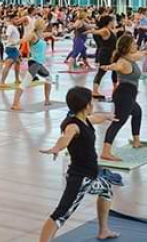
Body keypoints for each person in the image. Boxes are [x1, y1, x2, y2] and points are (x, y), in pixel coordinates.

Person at [38, 87, 118, 242]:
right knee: (60, 215)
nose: (93, 104)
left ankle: (104, 231)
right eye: (92, 102)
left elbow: (96, 118)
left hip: (91, 177)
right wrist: (56, 147)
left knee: (106, 190)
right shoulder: (73, 126)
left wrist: (107, 115)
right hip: (80, 179)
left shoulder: (84, 120)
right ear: (87, 105)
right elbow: (65, 138)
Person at [98, 34, 147, 162]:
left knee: (137, 112)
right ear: (126, 47)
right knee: (118, 121)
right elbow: (117, 66)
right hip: (123, 94)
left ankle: (136, 141)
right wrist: (109, 67)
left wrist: (146, 53)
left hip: (129, 94)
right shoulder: (122, 61)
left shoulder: (130, 57)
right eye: (133, 44)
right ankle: (105, 152)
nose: (136, 45)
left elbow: (139, 55)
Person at [11, 18, 52, 111]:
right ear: (41, 26)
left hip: (39, 63)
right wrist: (14, 43)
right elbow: (24, 40)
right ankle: (14, 104)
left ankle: (47, 100)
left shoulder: (39, 34)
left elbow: (47, 34)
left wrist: (54, 33)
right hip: (34, 62)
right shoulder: (33, 35)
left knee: (49, 78)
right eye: (44, 24)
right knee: (24, 83)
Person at [91, 15, 117, 99]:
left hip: (111, 53)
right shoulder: (105, 30)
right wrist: (90, 31)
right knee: (102, 71)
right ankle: (95, 91)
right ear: (109, 22)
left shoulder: (109, 30)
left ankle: (115, 88)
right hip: (105, 54)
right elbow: (96, 32)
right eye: (113, 21)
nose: (114, 22)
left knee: (115, 70)